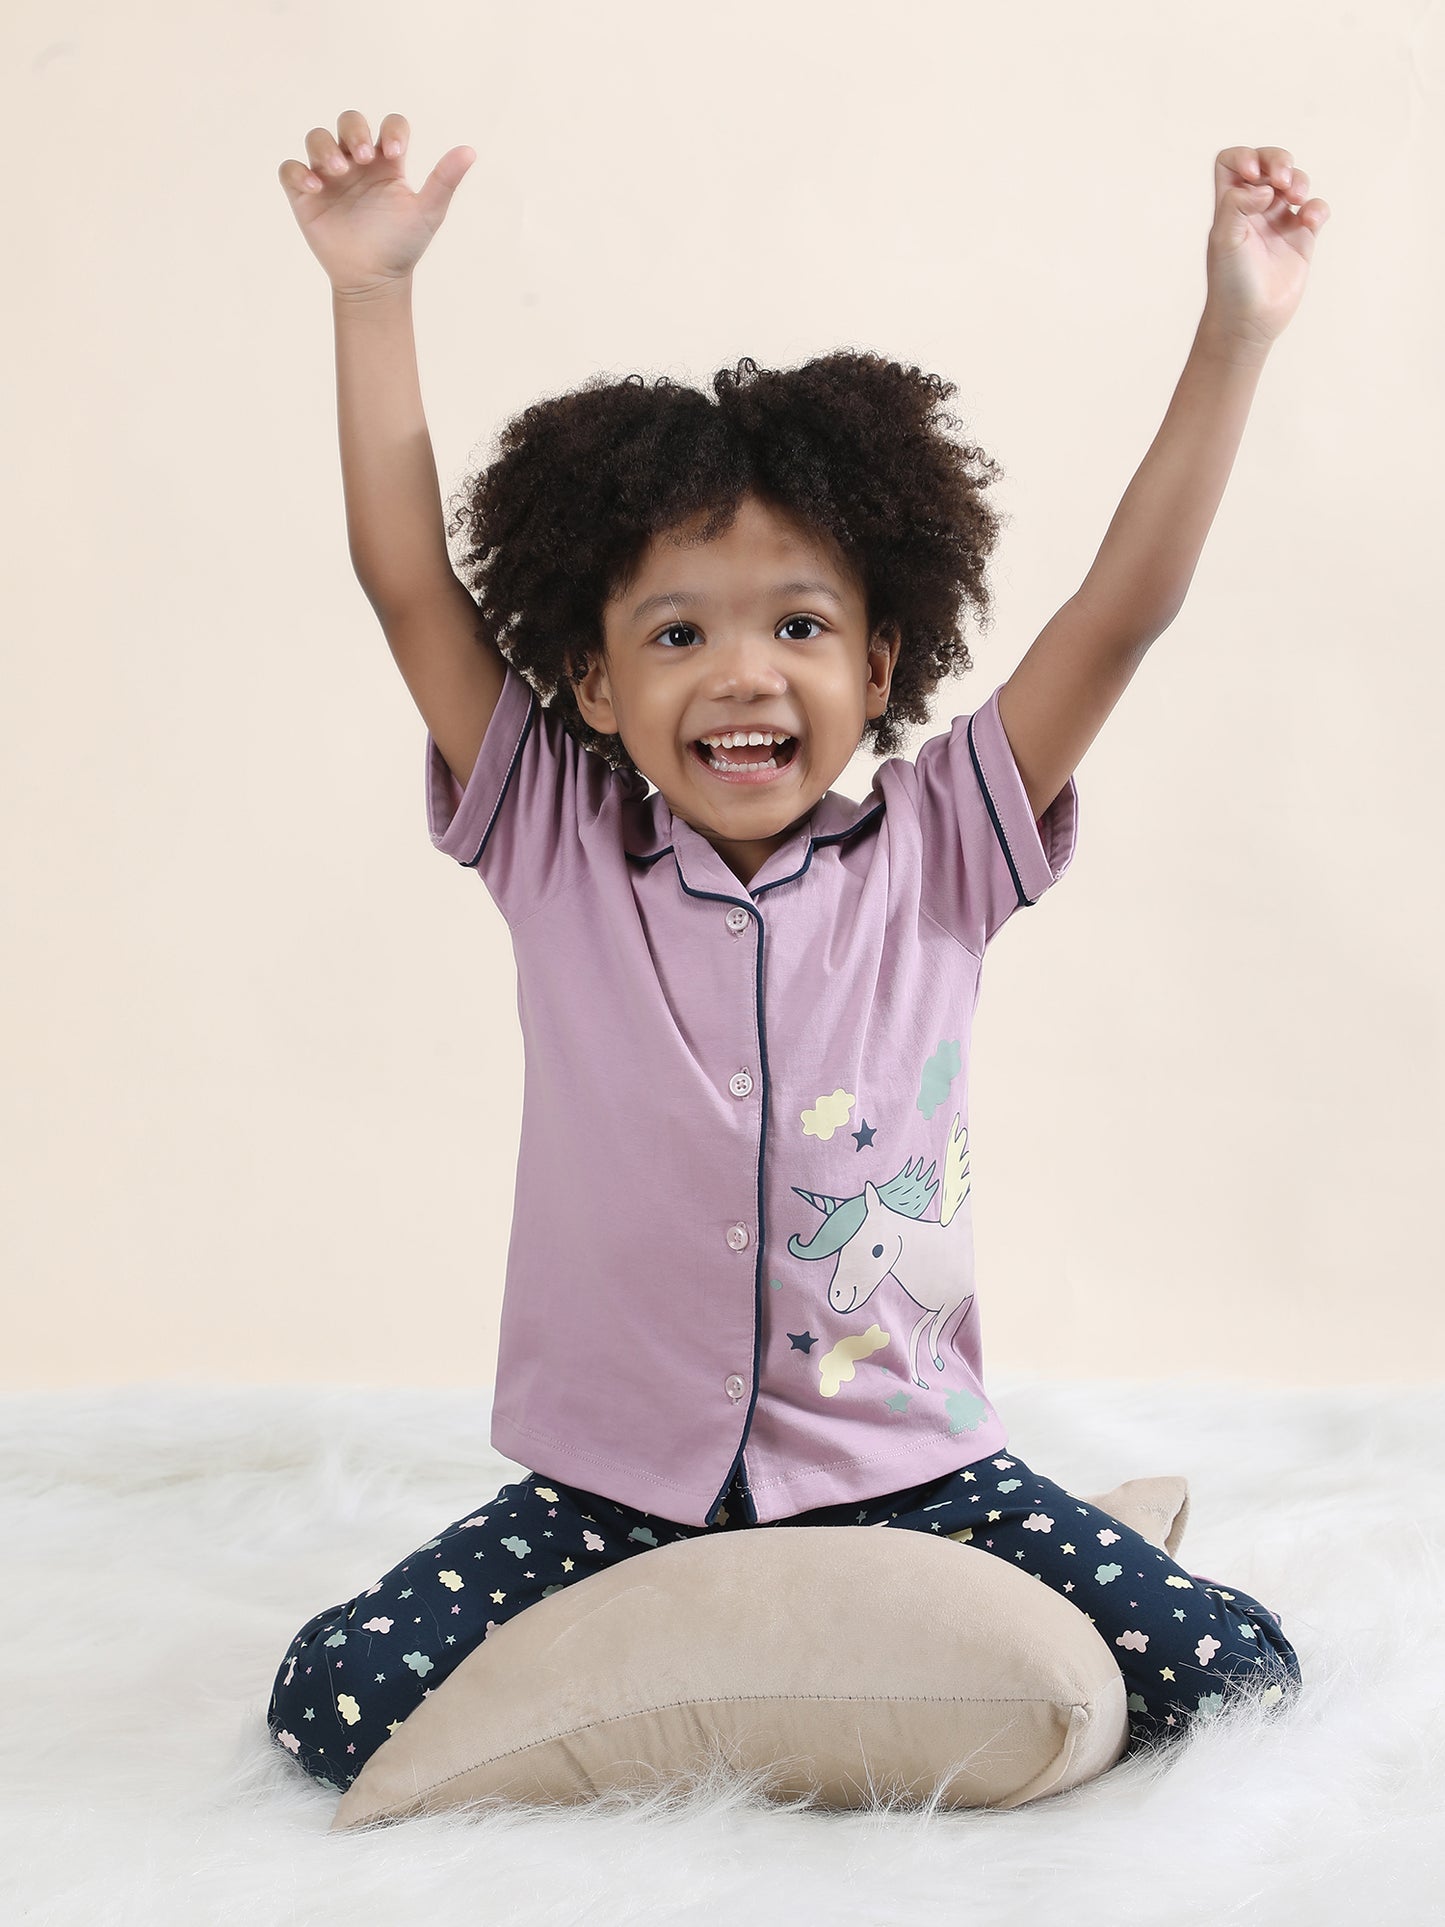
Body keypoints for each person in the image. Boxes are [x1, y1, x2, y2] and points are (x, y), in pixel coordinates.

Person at [266, 110, 1327, 1793]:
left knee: (1235, 1670)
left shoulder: (943, 844)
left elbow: (1120, 612)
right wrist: (368, 296)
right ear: (594, 684)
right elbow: (409, 589)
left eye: (800, 626)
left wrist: (1234, 329)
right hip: (613, 1491)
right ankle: (756, 1670)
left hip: (910, 1472)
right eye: (677, 632)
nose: (743, 672)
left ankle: (880, 1626)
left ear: (880, 662)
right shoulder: (553, 835)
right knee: (330, 1704)